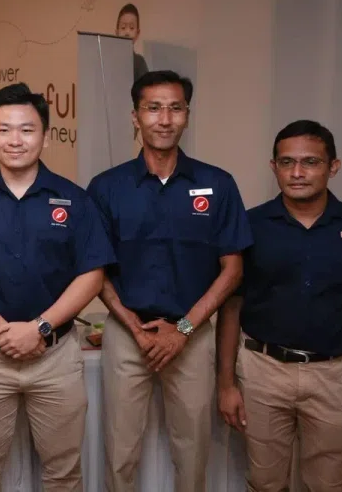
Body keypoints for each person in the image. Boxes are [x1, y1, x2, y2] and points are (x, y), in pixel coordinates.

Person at [0, 83, 116, 492]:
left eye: (26, 129)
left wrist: (39, 328)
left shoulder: (74, 199)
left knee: (63, 472)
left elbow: (92, 275)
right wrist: (3, 332)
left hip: (56, 356)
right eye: (3, 130)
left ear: (45, 136)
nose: (14, 140)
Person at [86, 69, 252, 492]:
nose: (164, 119)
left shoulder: (217, 184)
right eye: (153, 108)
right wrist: (133, 327)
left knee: (193, 451)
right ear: (135, 116)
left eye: (175, 108)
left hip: (191, 334)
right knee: (120, 453)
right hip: (128, 333)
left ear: (187, 115)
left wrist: (183, 329)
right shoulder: (106, 188)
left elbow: (233, 269)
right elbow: (96, 271)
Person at [216, 120, 342, 491]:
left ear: (333, 166)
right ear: (274, 167)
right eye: (287, 162)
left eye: (310, 162)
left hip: (336, 376)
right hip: (263, 371)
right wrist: (225, 385)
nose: (297, 173)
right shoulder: (249, 226)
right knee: (264, 482)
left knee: (328, 484)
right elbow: (231, 307)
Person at [115, 3, 149, 82]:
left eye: (131, 28)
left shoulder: (139, 62)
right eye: (123, 27)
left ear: (137, 33)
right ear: (116, 32)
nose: (127, 32)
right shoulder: (108, 59)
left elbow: (145, 87)